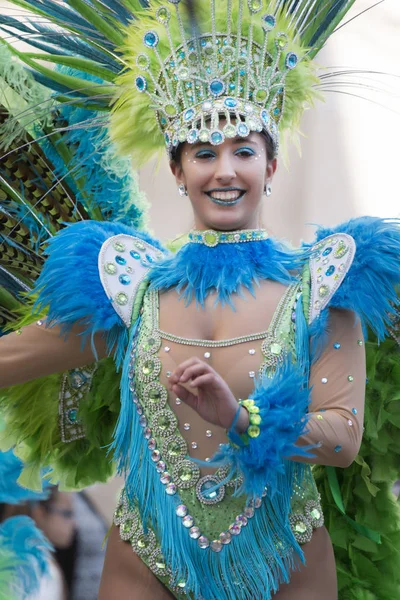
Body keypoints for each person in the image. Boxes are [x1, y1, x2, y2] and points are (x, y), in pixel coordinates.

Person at [0, 1, 399, 599]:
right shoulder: (129, 287)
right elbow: (13, 358)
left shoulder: (323, 285)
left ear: (271, 165)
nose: (225, 171)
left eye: (244, 150)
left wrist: (238, 418)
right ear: (177, 169)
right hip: (148, 555)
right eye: (205, 153)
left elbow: (342, 438)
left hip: (281, 559)